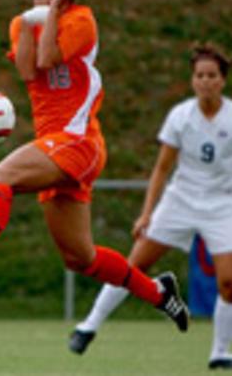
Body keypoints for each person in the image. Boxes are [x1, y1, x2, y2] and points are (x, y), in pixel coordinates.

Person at [0, 0, 189, 332]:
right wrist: (32, 20)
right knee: (80, 258)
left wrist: (51, 13)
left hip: (79, 141)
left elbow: (50, 58)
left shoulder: (80, 20)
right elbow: (27, 71)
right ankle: (160, 293)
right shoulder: (22, 22)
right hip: (55, 145)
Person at [70, 43, 232, 370]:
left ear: (222, 80)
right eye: (199, 75)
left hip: (222, 205)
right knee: (135, 264)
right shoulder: (181, 116)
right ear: (192, 79)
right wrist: (147, 213)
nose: (204, 81)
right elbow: (161, 168)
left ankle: (219, 351)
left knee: (229, 281)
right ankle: (88, 326)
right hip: (180, 200)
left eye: (211, 75)